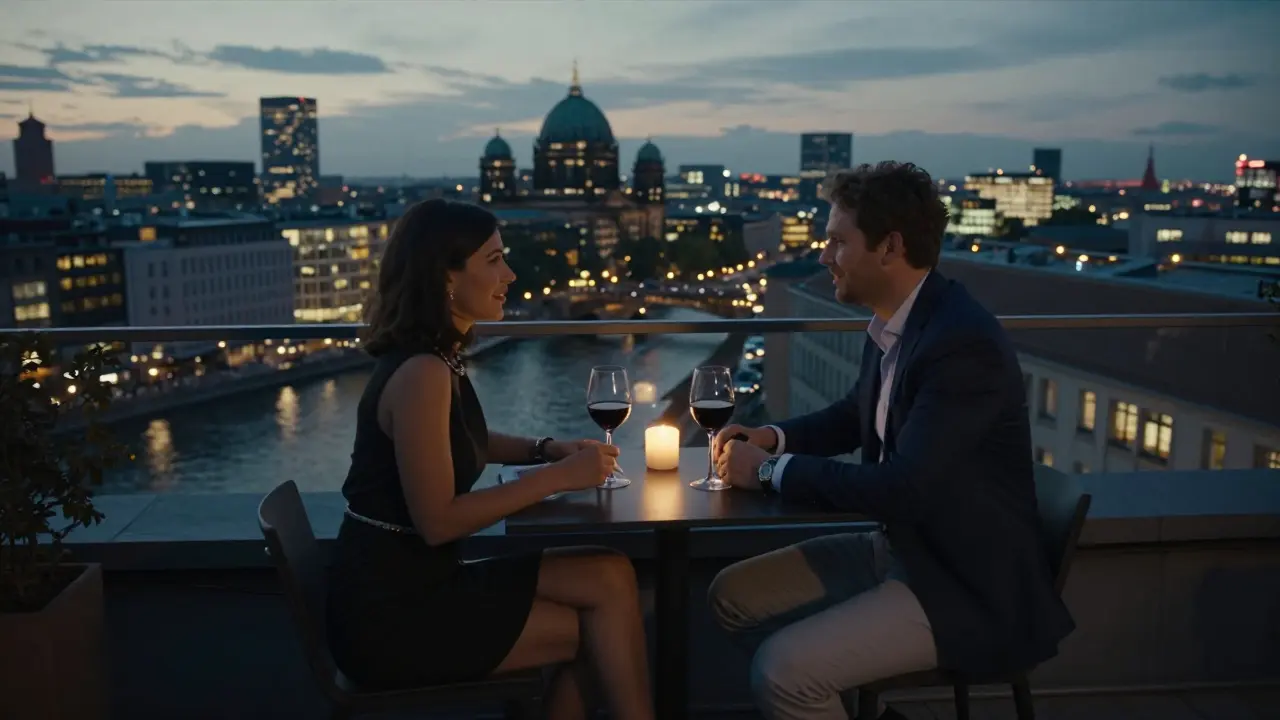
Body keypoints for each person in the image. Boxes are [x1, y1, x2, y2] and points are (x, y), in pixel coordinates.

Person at [710, 162, 1075, 720]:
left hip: (962, 584)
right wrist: (772, 437)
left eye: (837, 241)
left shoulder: (961, 345)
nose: (824, 255)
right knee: (730, 597)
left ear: (889, 247)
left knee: (783, 673)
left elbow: (904, 488)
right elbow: (855, 415)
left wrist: (765, 472)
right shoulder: (899, 322)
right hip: (903, 548)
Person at [327, 198, 654, 720]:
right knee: (606, 626)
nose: (511, 273)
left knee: (612, 574)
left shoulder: (433, 358)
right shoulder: (423, 374)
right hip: (394, 615)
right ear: (446, 277)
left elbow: (465, 437)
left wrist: (544, 449)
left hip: (415, 581)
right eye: (495, 259)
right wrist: (557, 477)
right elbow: (438, 522)